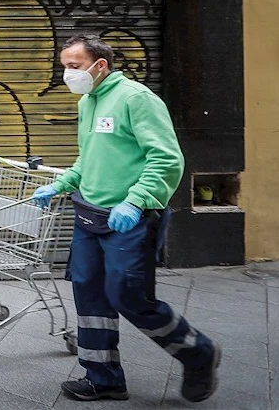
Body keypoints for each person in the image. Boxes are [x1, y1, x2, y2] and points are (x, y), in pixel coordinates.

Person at [33, 34, 220, 403]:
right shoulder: (89, 101)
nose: (68, 75)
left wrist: (136, 201)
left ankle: (198, 353)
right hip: (90, 213)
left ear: (99, 65)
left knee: (128, 296)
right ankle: (103, 379)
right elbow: (89, 157)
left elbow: (167, 159)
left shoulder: (136, 99)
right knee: (88, 294)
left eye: (73, 66)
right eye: (64, 67)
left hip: (129, 219)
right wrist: (62, 184)